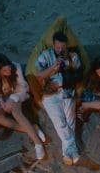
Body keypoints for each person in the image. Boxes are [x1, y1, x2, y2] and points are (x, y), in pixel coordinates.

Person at [0, 53, 47, 160]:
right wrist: (0, 101)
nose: (8, 72)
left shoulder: (16, 67)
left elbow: (23, 87)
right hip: (4, 98)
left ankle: (38, 144)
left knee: (16, 112)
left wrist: (12, 98)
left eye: (8, 68)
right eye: (4, 71)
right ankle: (33, 129)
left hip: (18, 94)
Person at [34, 31, 84, 165]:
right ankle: (73, 151)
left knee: (70, 121)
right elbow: (39, 77)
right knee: (60, 122)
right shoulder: (45, 56)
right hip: (50, 94)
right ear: (53, 44)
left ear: (67, 45)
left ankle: (67, 153)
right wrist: (53, 67)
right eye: (57, 47)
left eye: (63, 47)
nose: (60, 50)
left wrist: (66, 81)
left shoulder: (73, 57)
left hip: (67, 91)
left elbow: (79, 76)